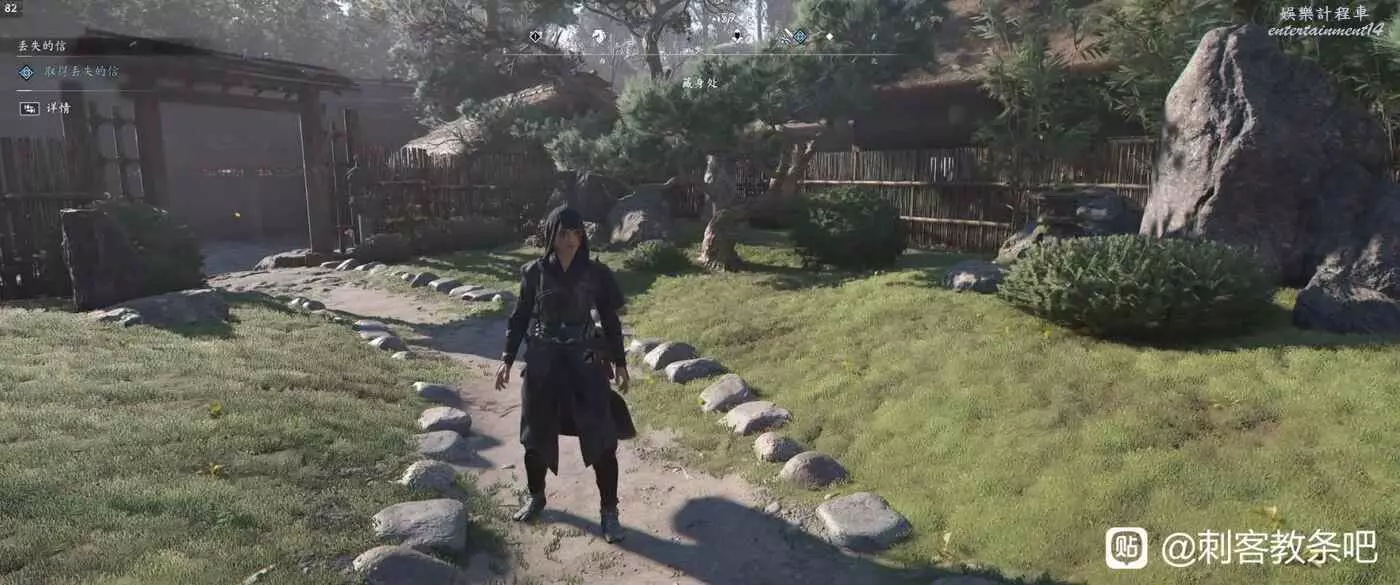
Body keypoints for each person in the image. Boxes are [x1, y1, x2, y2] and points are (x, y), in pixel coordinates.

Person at [494, 205, 635, 543]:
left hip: (584, 359)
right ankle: (536, 496)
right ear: (551, 236)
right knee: (535, 437)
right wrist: (507, 358)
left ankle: (610, 512)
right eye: (563, 233)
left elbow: (610, 320)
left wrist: (619, 362)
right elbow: (520, 317)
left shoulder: (596, 273)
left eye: (576, 233)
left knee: (602, 438)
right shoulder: (534, 272)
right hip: (543, 361)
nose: (571, 239)